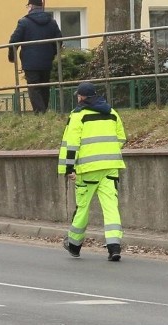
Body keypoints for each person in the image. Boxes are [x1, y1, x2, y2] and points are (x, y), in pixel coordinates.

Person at [58, 82, 127, 261]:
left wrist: (69, 168)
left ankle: (74, 245)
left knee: (82, 207)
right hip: (111, 167)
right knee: (111, 207)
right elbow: (121, 138)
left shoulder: (78, 115)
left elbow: (71, 144)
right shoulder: (112, 113)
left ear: (81, 97)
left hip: (87, 169)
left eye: (78, 96)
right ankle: (114, 247)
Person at [8, 0, 62, 114]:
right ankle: (44, 112)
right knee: (44, 86)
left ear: (31, 6)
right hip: (46, 61)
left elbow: (13, 41)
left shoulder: (24, 22)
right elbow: (59, 40)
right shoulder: (52, 22)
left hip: (30, 62)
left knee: (34, 87)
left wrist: (12, 57)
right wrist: (52, 53)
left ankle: (40, 113)